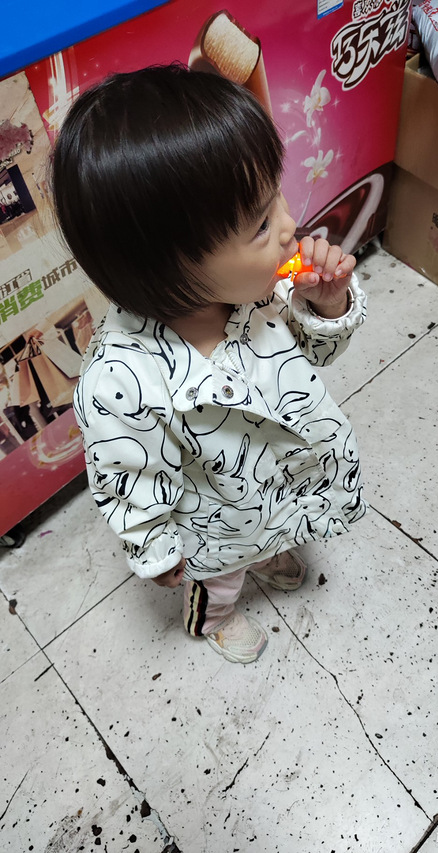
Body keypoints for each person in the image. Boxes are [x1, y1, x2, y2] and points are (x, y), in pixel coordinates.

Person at [51, 64, 367, 664]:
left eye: (276, 195)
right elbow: (128, 476)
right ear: (168, 270)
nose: (289, 226)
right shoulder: (122, 381)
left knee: (274, 533)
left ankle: (267, 551)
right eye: (260, 225)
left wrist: (327, 305)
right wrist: (155, 550)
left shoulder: (262, 291)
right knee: (220, 580)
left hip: (282, 489)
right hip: (214, 525)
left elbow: (317, 353)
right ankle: (213, 618)